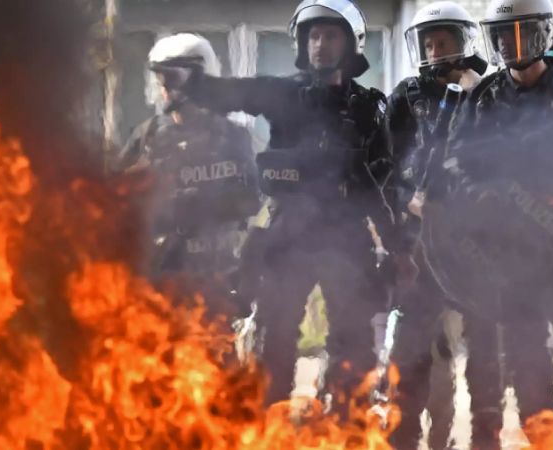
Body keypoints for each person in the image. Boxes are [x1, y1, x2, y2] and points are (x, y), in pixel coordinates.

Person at [156, 0, 416, 417]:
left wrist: (398, 247)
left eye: (330, 35)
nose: (320, 44)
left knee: (351, 346)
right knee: (272, 341)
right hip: (287, 238)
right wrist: (193, 81)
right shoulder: (283, 94)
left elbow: (381, 183)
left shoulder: (369, 107)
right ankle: (269, 425)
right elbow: (234, 91)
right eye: (313, 35)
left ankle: (345, 427)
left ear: (351, 43)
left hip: (346, 240)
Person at [423, 0, 553, 446]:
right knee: (524, 355)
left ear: (544, 36)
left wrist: (551, 144)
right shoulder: (484, 96)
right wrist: (480, 195)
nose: (513, 46)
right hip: (510, 253)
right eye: (503, 36)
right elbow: (456, 160)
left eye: (523, 34)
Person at [385, 2, 487, 448]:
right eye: (427, 42)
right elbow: (384, 165)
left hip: (469, 248)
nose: (434, 49)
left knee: (467, 359)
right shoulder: (407, 97)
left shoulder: (486, 94)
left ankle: (446, 437)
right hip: (418, 243)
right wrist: (407, 202)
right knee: (411, 356)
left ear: (463, 43)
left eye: (442, 41)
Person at [112, 33, 261, 324]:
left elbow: (252, 200)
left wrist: (202, 203)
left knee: (219, 362)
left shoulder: (232, 137)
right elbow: (116, 202)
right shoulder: (148, 137)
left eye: (173, 78)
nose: (165, 89)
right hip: (161, 278)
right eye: (161, 80)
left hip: (215, 277)